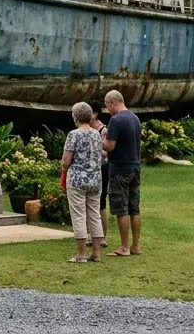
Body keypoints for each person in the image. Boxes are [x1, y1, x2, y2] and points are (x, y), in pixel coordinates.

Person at [62, 102, 105, 263]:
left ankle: (81, 254)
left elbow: (66, 161)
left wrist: (64, 167)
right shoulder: (96, 134)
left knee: (79, 216)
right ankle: (97, 253)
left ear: (75, 117)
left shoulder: (73, 135)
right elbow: (101, 154)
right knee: (94, 215)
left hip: (77, 180)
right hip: (95, 179)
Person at [102, 89, 143, 256]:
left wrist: (102, 142)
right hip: (135, 167)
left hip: (119, 169)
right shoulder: (135, 118)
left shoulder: (115, 120)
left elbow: (110, 146)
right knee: (134, 208)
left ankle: (124, 247)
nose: (108, 110)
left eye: (107, 107)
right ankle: (136, 246)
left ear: (112, 103)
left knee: (121, 208)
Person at [90, 108, 109, 246]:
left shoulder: (103, 130)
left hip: (101, 169)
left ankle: (102, 237)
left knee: (100, 203)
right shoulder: (84, 130)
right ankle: (93, 235)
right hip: (89, 170)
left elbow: (106, 152)